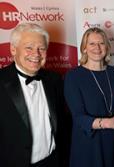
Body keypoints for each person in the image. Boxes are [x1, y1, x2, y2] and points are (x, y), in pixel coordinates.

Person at [64, 27, 114, 167]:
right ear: (84, 48)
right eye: (92, 44)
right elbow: (79, 118)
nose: (97, 48)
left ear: (106, 47)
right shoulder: (73, 76)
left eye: (101, 43)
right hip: (88, 143)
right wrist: (109, 123)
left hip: (112, 141)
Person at [0, 23, 64, 167]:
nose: (36, 54)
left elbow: (63, 124)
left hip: (52, 161)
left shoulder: (54, 79)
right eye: (29, 47)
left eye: (41, 48)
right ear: (13, 49)